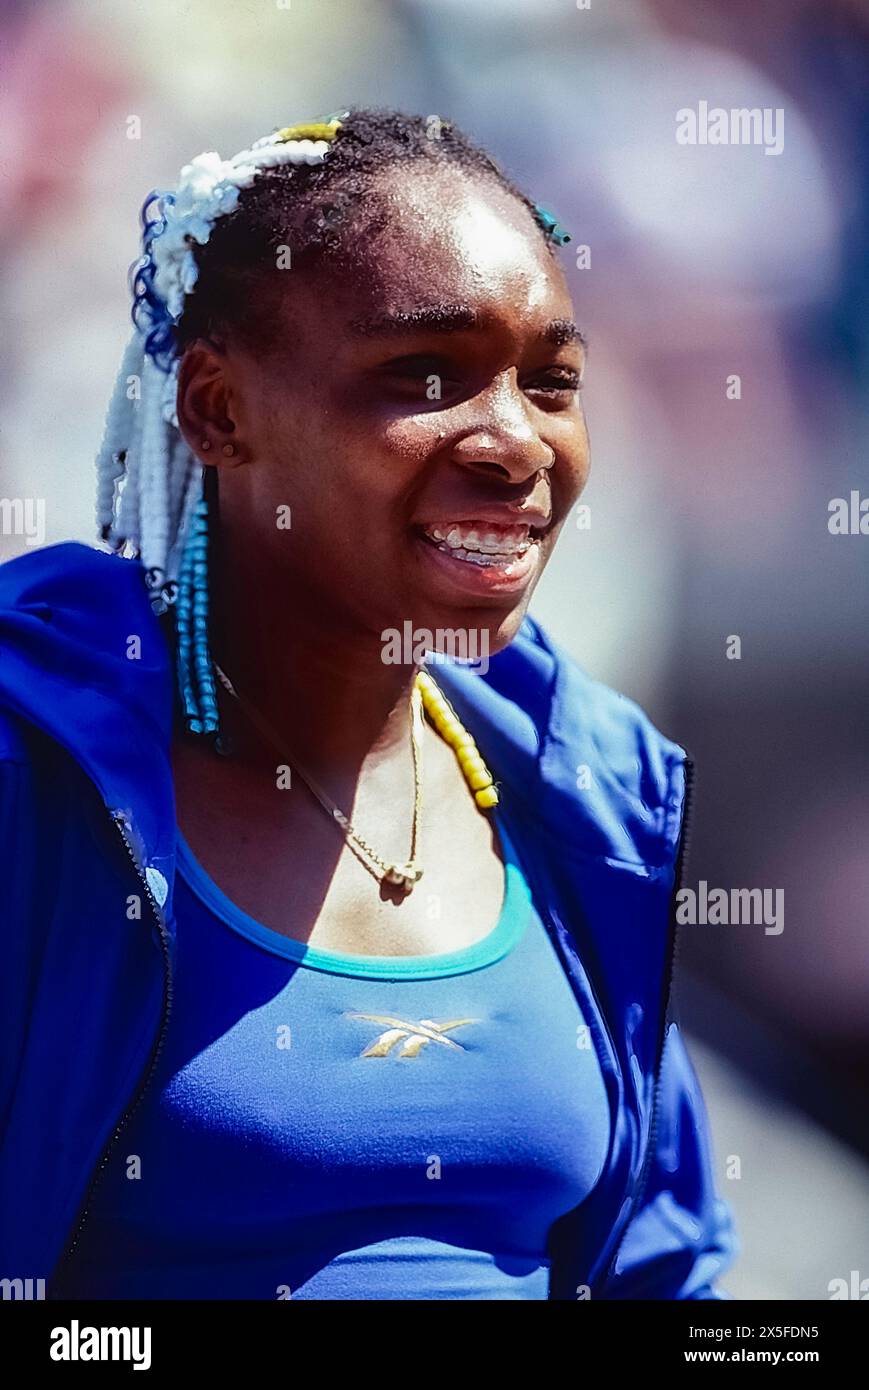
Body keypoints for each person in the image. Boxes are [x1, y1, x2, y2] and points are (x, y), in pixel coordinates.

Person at [0, 108, 738, 1300]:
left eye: (551, 382)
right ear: (216, 410)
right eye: (422, 375)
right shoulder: (33, 788)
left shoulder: (585, 801)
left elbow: (667, 1274)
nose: (514, 442)